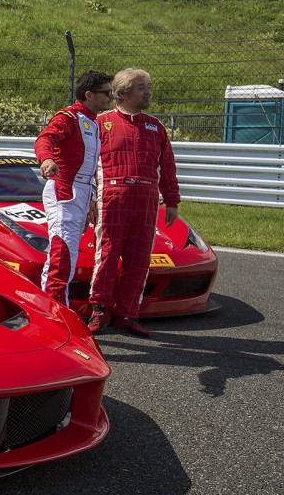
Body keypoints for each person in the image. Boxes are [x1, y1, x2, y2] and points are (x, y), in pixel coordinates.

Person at [87, 68, 181, 338]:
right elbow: (86, 165)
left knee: (139, 259)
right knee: (107, 254)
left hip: (148, 198)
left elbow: (168, 167)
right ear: (123, 92)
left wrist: (172, 201)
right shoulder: (100, 123)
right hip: (112, 196)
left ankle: (128, 313)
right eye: (141, 87)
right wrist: (90, 198)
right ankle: (100, 311)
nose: (148, 91)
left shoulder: (156, 126)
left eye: (148, 86)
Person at [34, 71, 113, 308]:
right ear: (89, 95)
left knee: (67, 256)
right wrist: (47, 159)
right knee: (62, 257)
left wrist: (90, 198)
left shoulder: (93, 122)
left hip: (81, 191)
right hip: (64, 189)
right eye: (106, 93)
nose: (110, 97)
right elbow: (44, 139)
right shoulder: (68, 117)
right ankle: (55, 317)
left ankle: (53, 312)